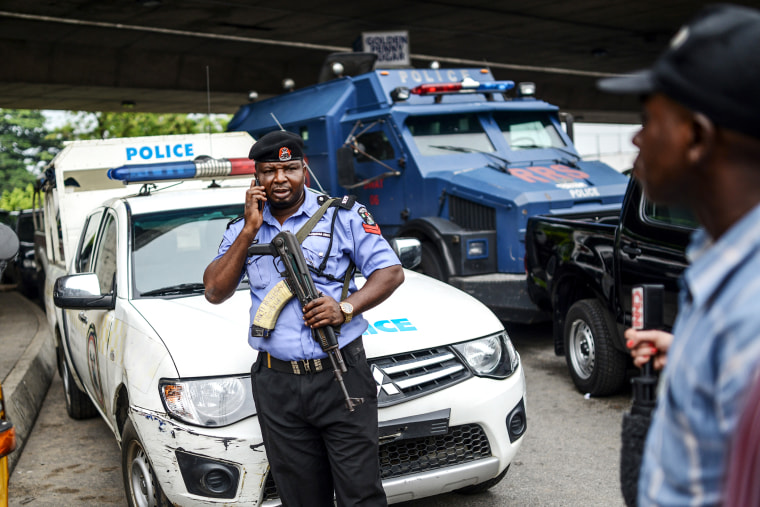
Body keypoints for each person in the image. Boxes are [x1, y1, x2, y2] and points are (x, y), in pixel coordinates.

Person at [598, 4, 760, 506]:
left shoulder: (750, 320)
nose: (636, 137)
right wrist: (694, 356)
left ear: (695, 138)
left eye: (650, 118)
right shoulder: (726, 268)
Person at [203, 130, 404, 507]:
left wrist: (345, 308)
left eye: (290, 168)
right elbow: (215, 291)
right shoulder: (241, 228)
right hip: (277, 384)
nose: (280, 179)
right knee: (299, 498)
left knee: (360, 494)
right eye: (269, 171)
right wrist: (249, 230)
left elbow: (390, 272)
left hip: (341, 373)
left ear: (304, 171)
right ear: (256, 179)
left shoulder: (343, 214)